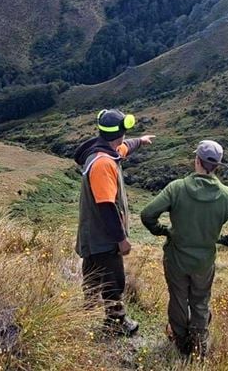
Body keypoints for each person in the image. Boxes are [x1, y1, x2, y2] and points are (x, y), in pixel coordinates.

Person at [140, 140, 228, 359]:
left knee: (177, 298)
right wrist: (225, 240)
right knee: (200, 301)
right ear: (217, 166)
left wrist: (163, 231)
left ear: (197, 160)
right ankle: (199, 345)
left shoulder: (176, 188)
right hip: (204, 260)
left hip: (176, 257)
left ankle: (180, 341)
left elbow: (147, 214)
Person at [73, 109, 155, 336]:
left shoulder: (103, 150)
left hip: (93, 233)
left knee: (93, 272)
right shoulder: (103, 165)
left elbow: (124, 147)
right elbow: (107, 207)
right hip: (103, 236)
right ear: (119, 133)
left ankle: (85, 312)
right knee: (113, 278)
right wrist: (121, 240)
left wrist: (141, 140)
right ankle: (116, 322)